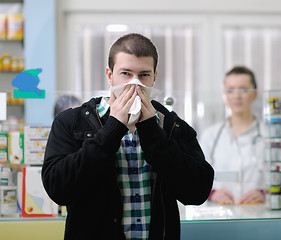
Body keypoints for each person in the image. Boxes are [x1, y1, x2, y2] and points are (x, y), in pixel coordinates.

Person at [42, 33, 214, 240]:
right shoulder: (71, 122)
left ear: (154, 77)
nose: (135, 84)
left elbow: (197, 192)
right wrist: (112, 129)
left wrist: (152, 132)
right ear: (109, 74)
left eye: (143, 75)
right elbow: (58, 188)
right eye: (125, 73)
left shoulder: (171, 125)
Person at [200, 66, 264, 205]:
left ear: (255, 94)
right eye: (230, 90)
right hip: (221, 215)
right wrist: (213, 193)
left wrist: (265, 193)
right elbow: (198, 177)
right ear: (224, 95)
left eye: (244, 89)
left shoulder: (268, 135)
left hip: (259, 214)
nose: (237, 96)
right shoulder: (211, 136)